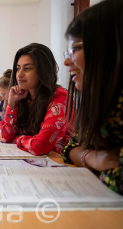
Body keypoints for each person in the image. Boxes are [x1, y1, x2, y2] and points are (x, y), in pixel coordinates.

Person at [61, 0, 123, 195]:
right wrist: (92, 158)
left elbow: (116, 181)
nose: (66, 61)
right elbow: (70, 148)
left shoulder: (58, 98)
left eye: (76, 49)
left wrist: (86, 156)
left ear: (108, 48)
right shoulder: (102, 100)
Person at [0, 43, 73, 156]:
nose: (19, 74)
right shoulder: (24, 97)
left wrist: (18, 139)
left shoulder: (60, 98)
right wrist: (12, 104)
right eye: (18, 69)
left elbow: (39, 146)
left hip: (60, 164)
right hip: (35, 163)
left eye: (27, 68)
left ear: (43, 70)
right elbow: (6, 137)